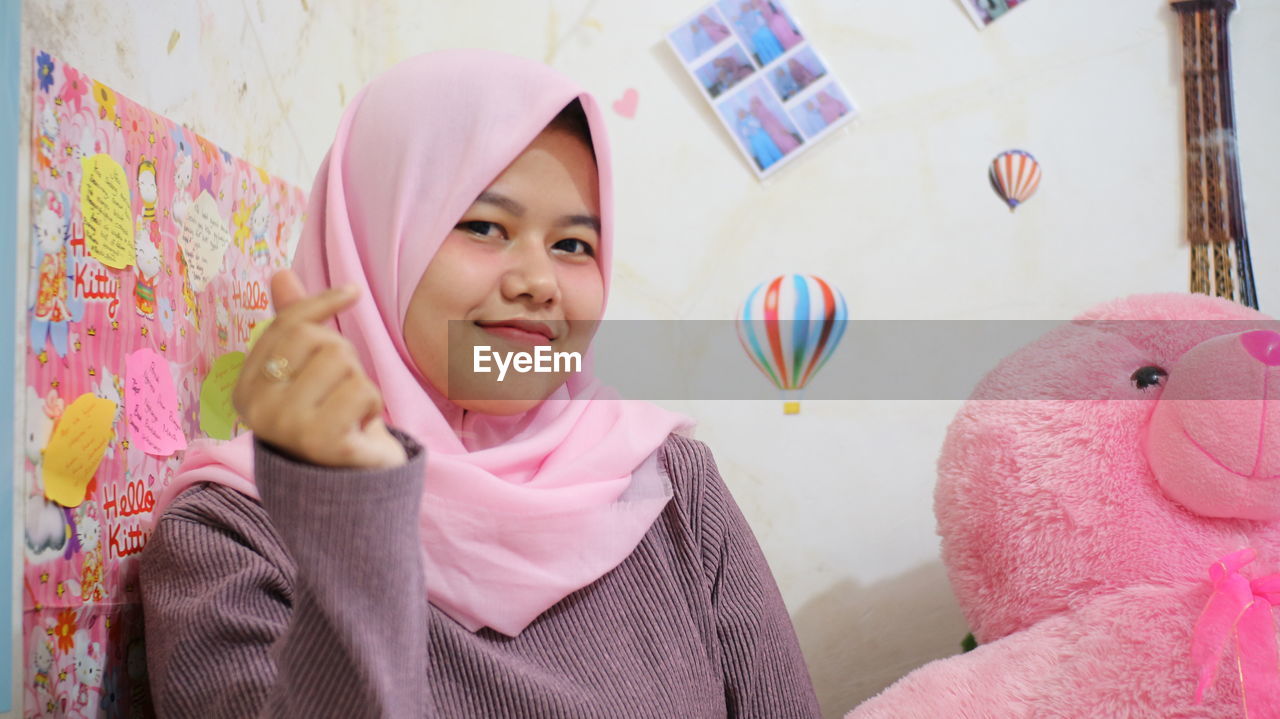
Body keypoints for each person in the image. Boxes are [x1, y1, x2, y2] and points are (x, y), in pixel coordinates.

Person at [140, 49, 820, 719]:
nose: (540, 281)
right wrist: (353, 521)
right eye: (485, 227)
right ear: (374, 240)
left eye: (574, 245)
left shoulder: (668, 481)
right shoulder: (231, 530)